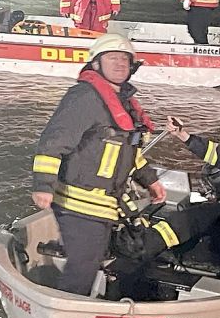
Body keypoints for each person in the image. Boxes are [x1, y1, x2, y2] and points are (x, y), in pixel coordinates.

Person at [32, 33, 167, 295]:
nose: (119, 64)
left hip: (105, 203)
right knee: (83, 265)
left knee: (99, 257)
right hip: (78, 202)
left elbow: (128, 152)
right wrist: (43, 186)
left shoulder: (122, 103)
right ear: (96, 64)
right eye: (112, 58)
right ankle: (67, 314)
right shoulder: (84, 97)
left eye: (124, 59)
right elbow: (53, 142)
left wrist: (150, 179)